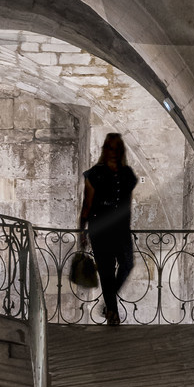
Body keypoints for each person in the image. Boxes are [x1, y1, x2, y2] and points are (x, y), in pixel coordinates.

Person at [78, 134, 138, 327]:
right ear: (105, 149)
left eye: (117, 148)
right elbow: (87, 204)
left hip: (121, 229)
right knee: (106, 270)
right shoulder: (94, 174)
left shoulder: (127, 174)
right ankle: (112, 311)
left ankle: (108, 305)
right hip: (100, 228)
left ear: (121, 151)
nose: (113, 152)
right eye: (110, 148)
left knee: (127, 264)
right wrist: (82, 230)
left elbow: (128, 203)